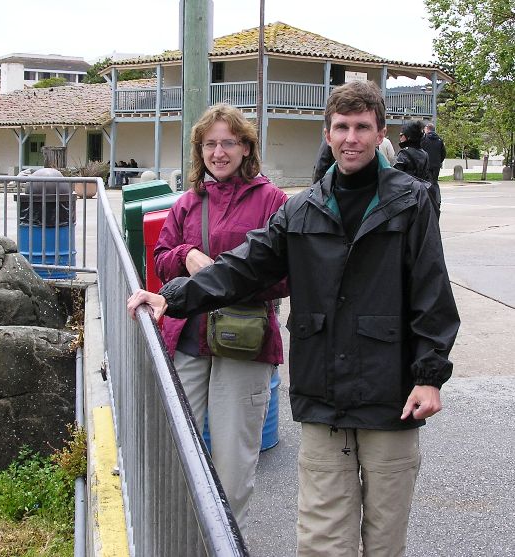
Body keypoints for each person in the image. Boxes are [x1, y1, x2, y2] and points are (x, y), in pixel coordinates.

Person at [127, 81, 460, 556]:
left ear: (380, 133)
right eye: (341, 127)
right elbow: (244, 266)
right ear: (327, 133)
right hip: (322, 393)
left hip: (391, 393)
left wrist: (430, 376)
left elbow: (432, 291)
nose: (351, 138)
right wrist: (174, 297)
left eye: (362, 127)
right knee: (322, 538)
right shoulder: (302, 209)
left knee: (385, 535)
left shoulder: (410, 202)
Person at [144, 104, 288, 538]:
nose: (219, 152)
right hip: (188, 339)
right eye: (210, 144)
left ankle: (226, 541)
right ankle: (182, 538)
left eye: (228, 142)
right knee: (177, 446)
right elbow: (160, 258)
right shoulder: (188, 202)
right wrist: (186, 255)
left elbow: (287, 274)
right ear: (199, 151)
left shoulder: (273, 201)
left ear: (246, 148)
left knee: (232, 458)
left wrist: (228, 280)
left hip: (245, 342)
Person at [421, 121, 447, 203]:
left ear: (427, 129)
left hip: (427, 164)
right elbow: (443, 153)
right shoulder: (439, 140)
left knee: (427, 183)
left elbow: (421, 151)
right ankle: (437, 200)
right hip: (436, 165)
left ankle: (428, 200)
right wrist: (439, 161)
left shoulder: (424, 139)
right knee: (435, 183)